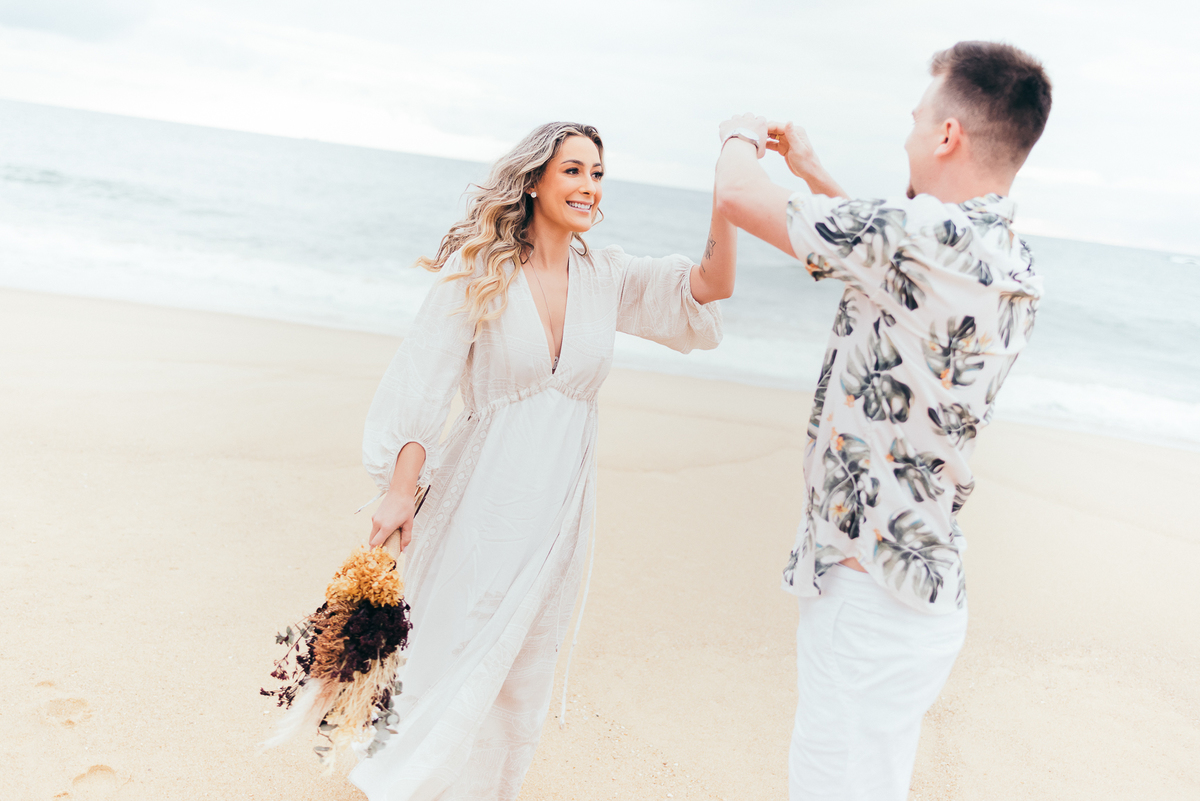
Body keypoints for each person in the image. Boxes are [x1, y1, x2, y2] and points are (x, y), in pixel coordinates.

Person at [352, 122, 735, 800]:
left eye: (597, 174)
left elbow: (707, 286)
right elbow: (425, 383)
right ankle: (402, 779)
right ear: (534, 181)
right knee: (452, 639)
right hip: (482, 498)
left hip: (558, 509)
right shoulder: (482, 268)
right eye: (574, 171)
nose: (590, 186)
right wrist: (401, 489)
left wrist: (729, 194)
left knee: (522, 662)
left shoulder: (607, 276)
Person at [712, 42, 1052, 799]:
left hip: (867, 596)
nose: (906, 135)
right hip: (923, 588)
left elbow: (738, 194)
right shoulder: (1009, 258)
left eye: (916, 118)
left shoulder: (915, 238)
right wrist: (813, 171)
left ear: (947, 135)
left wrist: (737, 132)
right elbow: (885, 261)